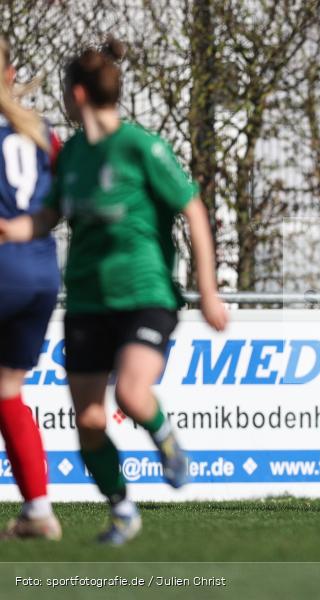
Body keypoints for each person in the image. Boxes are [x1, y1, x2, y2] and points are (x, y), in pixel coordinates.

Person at [0, 38, 228, 545]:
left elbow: (192, 209)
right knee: (88, 420)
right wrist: (10, 229)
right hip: (86, 301)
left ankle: (166, 439)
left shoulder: (141, 147)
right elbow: (48, 215)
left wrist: (208, 291)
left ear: (76, 94)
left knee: (130, 391)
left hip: (145, 294)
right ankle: (122, 508)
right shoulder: (74, 153)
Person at [0, 37, 63, 540]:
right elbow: (66, 200)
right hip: (41, 275)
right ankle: (38, 511)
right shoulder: (42, 132)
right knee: (7, 390)